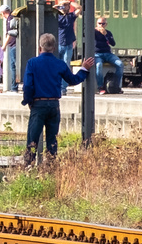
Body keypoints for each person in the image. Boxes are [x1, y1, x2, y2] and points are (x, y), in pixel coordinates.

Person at [21, 33, 92, 161]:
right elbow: (73, 80)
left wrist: (29, 101)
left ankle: (28, 166)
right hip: (54, 105)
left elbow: (28, 86)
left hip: (38, 104)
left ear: (39, 47)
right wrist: (84, 69)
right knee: (52, 139)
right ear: (54, 48)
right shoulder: (60, 64)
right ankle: (51, 165)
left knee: (32, 139)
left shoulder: (32, 63)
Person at [91, 17, 124, 93]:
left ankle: (117, 86)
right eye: (99, 23)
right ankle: (100, 87)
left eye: (103, 24)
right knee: (98, 65)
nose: (101, 25)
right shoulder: (93, 32)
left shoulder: (108, 33)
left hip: (108, 54)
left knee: (120, 64)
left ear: (106, 24)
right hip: (97, 54)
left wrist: (106, 35)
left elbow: (113, 44)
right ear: (97, 24)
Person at [0, 6, 19, 94]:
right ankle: (14, 86)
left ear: (3, 13)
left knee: (13, 66)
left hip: (13, 45)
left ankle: (14, 87)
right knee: (14, 66)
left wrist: (4, 45)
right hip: (14, 45)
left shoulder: (10, 19)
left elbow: (10, 34)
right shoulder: (13, 18)